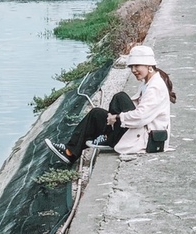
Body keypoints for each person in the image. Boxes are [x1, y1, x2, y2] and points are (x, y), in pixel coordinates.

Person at [45, 44, 176, 165]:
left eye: (137, 66)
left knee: (120, 97)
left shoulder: (155, 87)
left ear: (149, 66)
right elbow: (136, 105)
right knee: (96, 113)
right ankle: (70, 153)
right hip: (139, 131)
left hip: (148, 139)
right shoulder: (147, 83)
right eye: (131, 67)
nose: (134, 70)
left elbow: (141, 117)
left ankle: (108, 136)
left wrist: (117, 118)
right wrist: (113, 117)